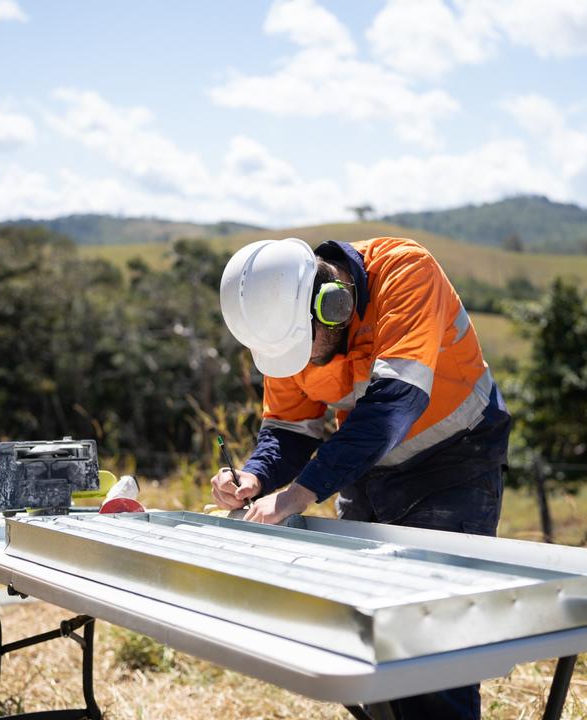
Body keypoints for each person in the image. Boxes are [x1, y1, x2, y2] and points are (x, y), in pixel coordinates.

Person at [209, 236, 511, 720]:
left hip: (452, 459)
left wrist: (298, 494)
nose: (303, 362)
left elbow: (395, 405)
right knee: (369, 629)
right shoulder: (286, 325)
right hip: (363, 464)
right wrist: (255, 477)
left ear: (335, 304)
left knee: (431, 637)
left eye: (306, 350)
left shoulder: (406, 273)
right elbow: (289, 427)